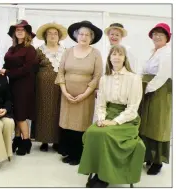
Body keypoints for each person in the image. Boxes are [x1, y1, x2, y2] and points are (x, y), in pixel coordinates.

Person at [78, 45, 145, 188]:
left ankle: (104, 176)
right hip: (108, 114)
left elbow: (133, 108)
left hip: (127, 119)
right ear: (109, 58)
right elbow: (101, 104)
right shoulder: (104, 79)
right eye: (113, 54)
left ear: (125, 58)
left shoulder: (134, 78)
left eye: (120, 54)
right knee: (92, 132)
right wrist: (101, 119)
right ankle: (95, 170)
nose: (116, 57)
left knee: (106, 135)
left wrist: (114, 122)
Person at [55, 21, 103, 165]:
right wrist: (64, 91)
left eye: (87, 35)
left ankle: (78, 155)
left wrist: (85, 94)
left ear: (91, 37)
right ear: (76, 35)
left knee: (81, 124)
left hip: (85, 97)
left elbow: (97, 76)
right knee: (68, 123)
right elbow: (61, 72)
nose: (84, 37)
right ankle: (68, 152)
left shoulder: (96, 53)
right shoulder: (68, 51)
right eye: (81, 34)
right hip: (67, 95)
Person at [0, 20, 38, 156]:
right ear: (14, 33)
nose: (20, 31)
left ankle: (26, 141)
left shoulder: (30, 50)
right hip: (13, 84)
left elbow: (27, 69)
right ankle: (17, 139)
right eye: (17, 30)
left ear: (27, 33)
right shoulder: (11, 49)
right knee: (14, 113)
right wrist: (3, 69)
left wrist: (8, 72)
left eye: (22, 29)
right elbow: (7, 63)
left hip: (25, 85)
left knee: (21, 114)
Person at [139, 23, 172, 175]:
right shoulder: (152, 51)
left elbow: (162, 76)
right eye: (155, 33)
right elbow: (143, 70)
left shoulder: (167, 53)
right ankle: (147, 156)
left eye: (161, 34)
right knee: (145, 123)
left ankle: (157, 161)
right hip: (147, 89)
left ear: (167, 37)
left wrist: (146, 89)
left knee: (157, 125)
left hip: (159, 91)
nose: (157, 36)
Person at [34, 22, 67, 152]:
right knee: (44, 111)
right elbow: (34, 68)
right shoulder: (39, 50)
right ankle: (44, 140)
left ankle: (57, 140)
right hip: (43, 86)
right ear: (45, 36)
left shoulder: (65, 51)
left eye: (55, 33)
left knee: (58, 111)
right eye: (49, 33)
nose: (52, 36)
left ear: (59, 36)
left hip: (61, 86)